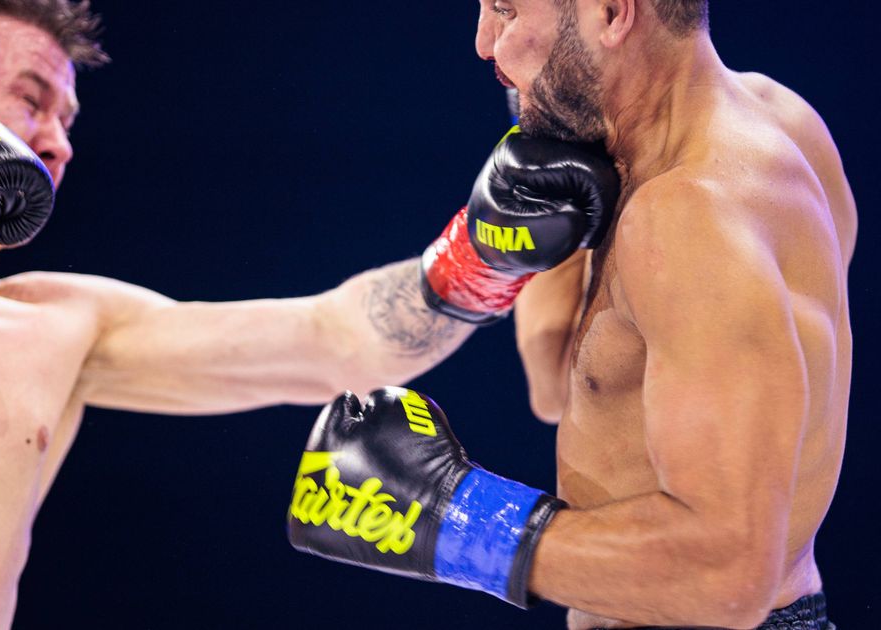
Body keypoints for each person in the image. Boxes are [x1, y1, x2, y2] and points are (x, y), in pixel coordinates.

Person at [0, 0, 612, 627]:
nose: (57, 142)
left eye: (69, 120)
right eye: (32, 99)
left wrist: (482, 254)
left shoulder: (61, 324)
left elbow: (335, 339)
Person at [286, 1, 855, 629]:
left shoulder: (687, 220)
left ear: (611, 13)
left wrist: (454, 519)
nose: (484, 43)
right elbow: (563, 389)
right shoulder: (783, 123)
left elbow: (729, 577)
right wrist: (542, 237)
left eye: (506, 10)